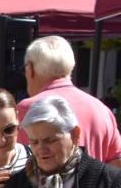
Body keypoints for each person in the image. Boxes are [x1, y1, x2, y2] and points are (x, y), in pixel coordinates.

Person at [17, 36, 121, 165]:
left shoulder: (26, 109)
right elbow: (117, 163)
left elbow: (10, 162)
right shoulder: (102, 109)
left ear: (30, 69)